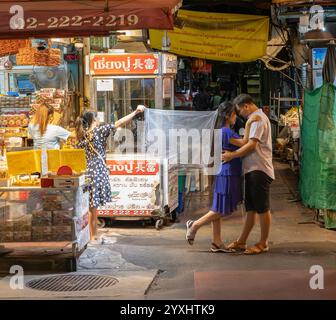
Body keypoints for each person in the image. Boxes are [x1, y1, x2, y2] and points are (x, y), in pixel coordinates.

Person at [185, 101, 260, 252]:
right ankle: (195, 225)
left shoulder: (220, 130)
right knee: (222, 208)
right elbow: (245, 142)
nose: (235, 117)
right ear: (227, 115)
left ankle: (216, 242)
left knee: (218, 206)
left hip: (223, 170)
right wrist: (249, 123)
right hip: (228, 172)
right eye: (234, 114)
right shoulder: (226, 132)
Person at [75, 105, 145, 240]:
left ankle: (92, 234)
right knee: (93, 209)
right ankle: (93, 236)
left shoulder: (83, 136)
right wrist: (135, 112)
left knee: (91, 207)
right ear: (94, 119)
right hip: (98, 172)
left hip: (88, 172)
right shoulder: (100, 131)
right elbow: (119, 122)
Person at [223, 94, 275, 255]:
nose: (239, 115)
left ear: (246, 106)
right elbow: (246, 141)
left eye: (239, 111)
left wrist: (232, 155)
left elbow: (251, 145)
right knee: (251, 209)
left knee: (262, 208)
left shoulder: (257, 118)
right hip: (252, 169)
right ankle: (242, 241)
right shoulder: (253, 119)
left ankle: (263, 243)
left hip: (259, 169)